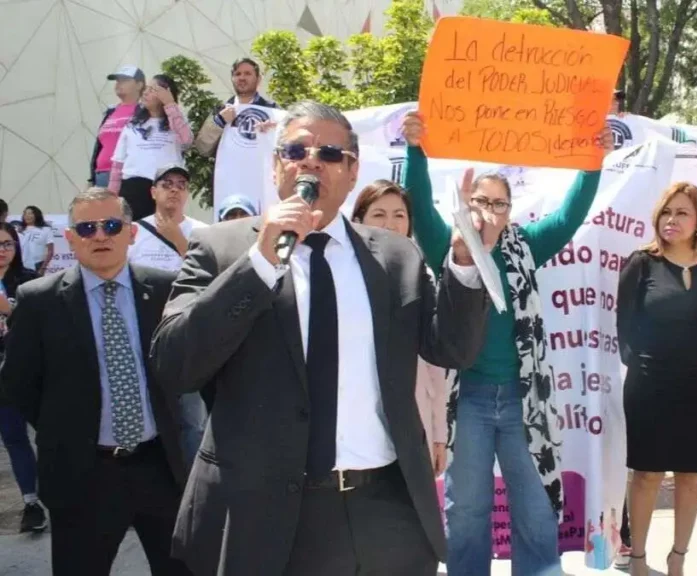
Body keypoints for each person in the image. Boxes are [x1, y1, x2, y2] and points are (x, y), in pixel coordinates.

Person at [150, 100, 491, 576]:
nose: (311, 161)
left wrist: (465, 262)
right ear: (275, 168)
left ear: (353, 172)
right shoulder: (221, 248)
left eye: (330, 154)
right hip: (267, 516)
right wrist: (259, 263)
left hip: (387, 509)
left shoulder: (395, 257)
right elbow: (176, 364)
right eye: (295, 150)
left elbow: (451, 348)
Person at [401, 111, 612, 576]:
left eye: (499, 203)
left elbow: (572, 212)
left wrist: (593, 159)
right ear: (465, 203)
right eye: (481, 200)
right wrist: (415, 150)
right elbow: (414, 201)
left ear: (510, 211)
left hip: (523, 400)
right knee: (467, 510)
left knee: (535, 506)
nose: (489, 210)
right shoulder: (447, 243)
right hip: (470, 399)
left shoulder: (527, 244)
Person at [0, 188, 188, 575]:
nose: (100, 235)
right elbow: (18, 385)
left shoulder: (165, 290)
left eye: (111, 225)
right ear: (70, 238)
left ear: (131, 233)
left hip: (161, 469)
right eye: (87, 227)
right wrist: (67, 429)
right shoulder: (39, 300)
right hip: (81, 476)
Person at [616, 182, 697, 576]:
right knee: (646, 474)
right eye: (667, 212)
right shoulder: (640, 263)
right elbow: (625, 329)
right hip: (648, 385)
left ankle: (677, 559)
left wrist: (693, 364)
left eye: (682, 212)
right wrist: (652, 366)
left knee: (690, 475)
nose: (672, 220)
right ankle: (638, 559)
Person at [350, 179, 449, 476]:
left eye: (399, 215)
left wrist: (438, 435)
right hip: (355, 435)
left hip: (412, 425)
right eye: (379, 214)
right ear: (358, 221)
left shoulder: (422, 278)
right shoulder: (342, 278)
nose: (390, 225)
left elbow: (436, 370)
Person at [126, 165, 209, 470]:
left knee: (193, 422)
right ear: (153, 191)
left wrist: (177, 239)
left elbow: (209, 278)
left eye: (181, 184)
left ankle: (192, 489)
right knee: (148, 417)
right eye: (167, 183)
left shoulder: (202, 231)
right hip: (142, 338)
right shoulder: (133, 231)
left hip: (187, 339)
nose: (174, 189)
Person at [0, 222, 44, 532]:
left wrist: (8, 309)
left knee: (40, 437)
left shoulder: (28, 282)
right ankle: (31, 502)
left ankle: (42, 500)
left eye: (7, 244)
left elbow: (40, 328)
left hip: (23, 374)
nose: (1, 251)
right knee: (13, 437)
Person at [109, 74, 193, 220]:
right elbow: (118, 164)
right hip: (134, 187)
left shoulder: (177, 120)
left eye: (153, 89)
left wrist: (170, 104)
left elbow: (186, 140)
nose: (146, 93)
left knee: (164, 233)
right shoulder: (132, 124)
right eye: (146, 89)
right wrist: (111, 198)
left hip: (165, 187)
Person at [194, 58, 278, 156]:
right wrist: (219, 122)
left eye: (247, 73)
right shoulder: (220, 111)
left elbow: (286, 146)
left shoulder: (272, 110)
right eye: (237, 74)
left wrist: (272, 132)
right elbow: (202, 149)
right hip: (227, 170)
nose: (242, 78)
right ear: (232, 79)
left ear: (258, 79)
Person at [90, 66, 145, 188]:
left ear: (139, 85)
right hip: (101, 175)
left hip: (128, 176)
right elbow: (99, 146)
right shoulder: (110, 111)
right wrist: (91, 178)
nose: (119, 84)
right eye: (117, 81)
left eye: (125, 80)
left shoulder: (144, 112)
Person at [19, 206, 53, 274]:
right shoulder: (19, 231)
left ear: (36, 215)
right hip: (21, 265)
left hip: (38, 264)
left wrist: (43, 268)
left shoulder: (46, 230)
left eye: (30, 213)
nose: (27, 216)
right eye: (25, 214)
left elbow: (50, 251)